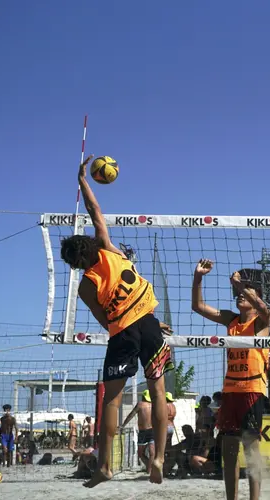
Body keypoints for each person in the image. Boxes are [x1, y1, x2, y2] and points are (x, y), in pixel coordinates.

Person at [59, 155, 174, 487]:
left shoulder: (85, 285)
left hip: (123, 331)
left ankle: (105, 466)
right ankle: (159, 458)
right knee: (159, 392)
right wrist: (83, 180)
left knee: (111, 399)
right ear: (92, 244)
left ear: (76, 264)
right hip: (149, 324)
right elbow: (95, 212)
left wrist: (124, 321)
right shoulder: (111, 250)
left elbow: (103, 317)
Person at [192, 259, 270, 500]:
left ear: (255, 299)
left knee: (251, 450)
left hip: (253, 390)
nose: (239, 297)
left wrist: (240, 285)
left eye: (246, 295)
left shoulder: (261, 322)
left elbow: (266, 309)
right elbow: (198, 307)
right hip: (230, 391)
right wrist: (198, 278)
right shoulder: (231, 320)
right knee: (228, 452)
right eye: (238, 294)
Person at [120, 389, 155, 475]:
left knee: (141, 454)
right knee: (151, 453)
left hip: (144, 431)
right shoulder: (153, 405)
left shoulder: (140, 404)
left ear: (143, 396)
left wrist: (123, 425)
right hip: (151, 431)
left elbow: (131, 415)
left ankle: (149, 470)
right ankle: (149, 468)